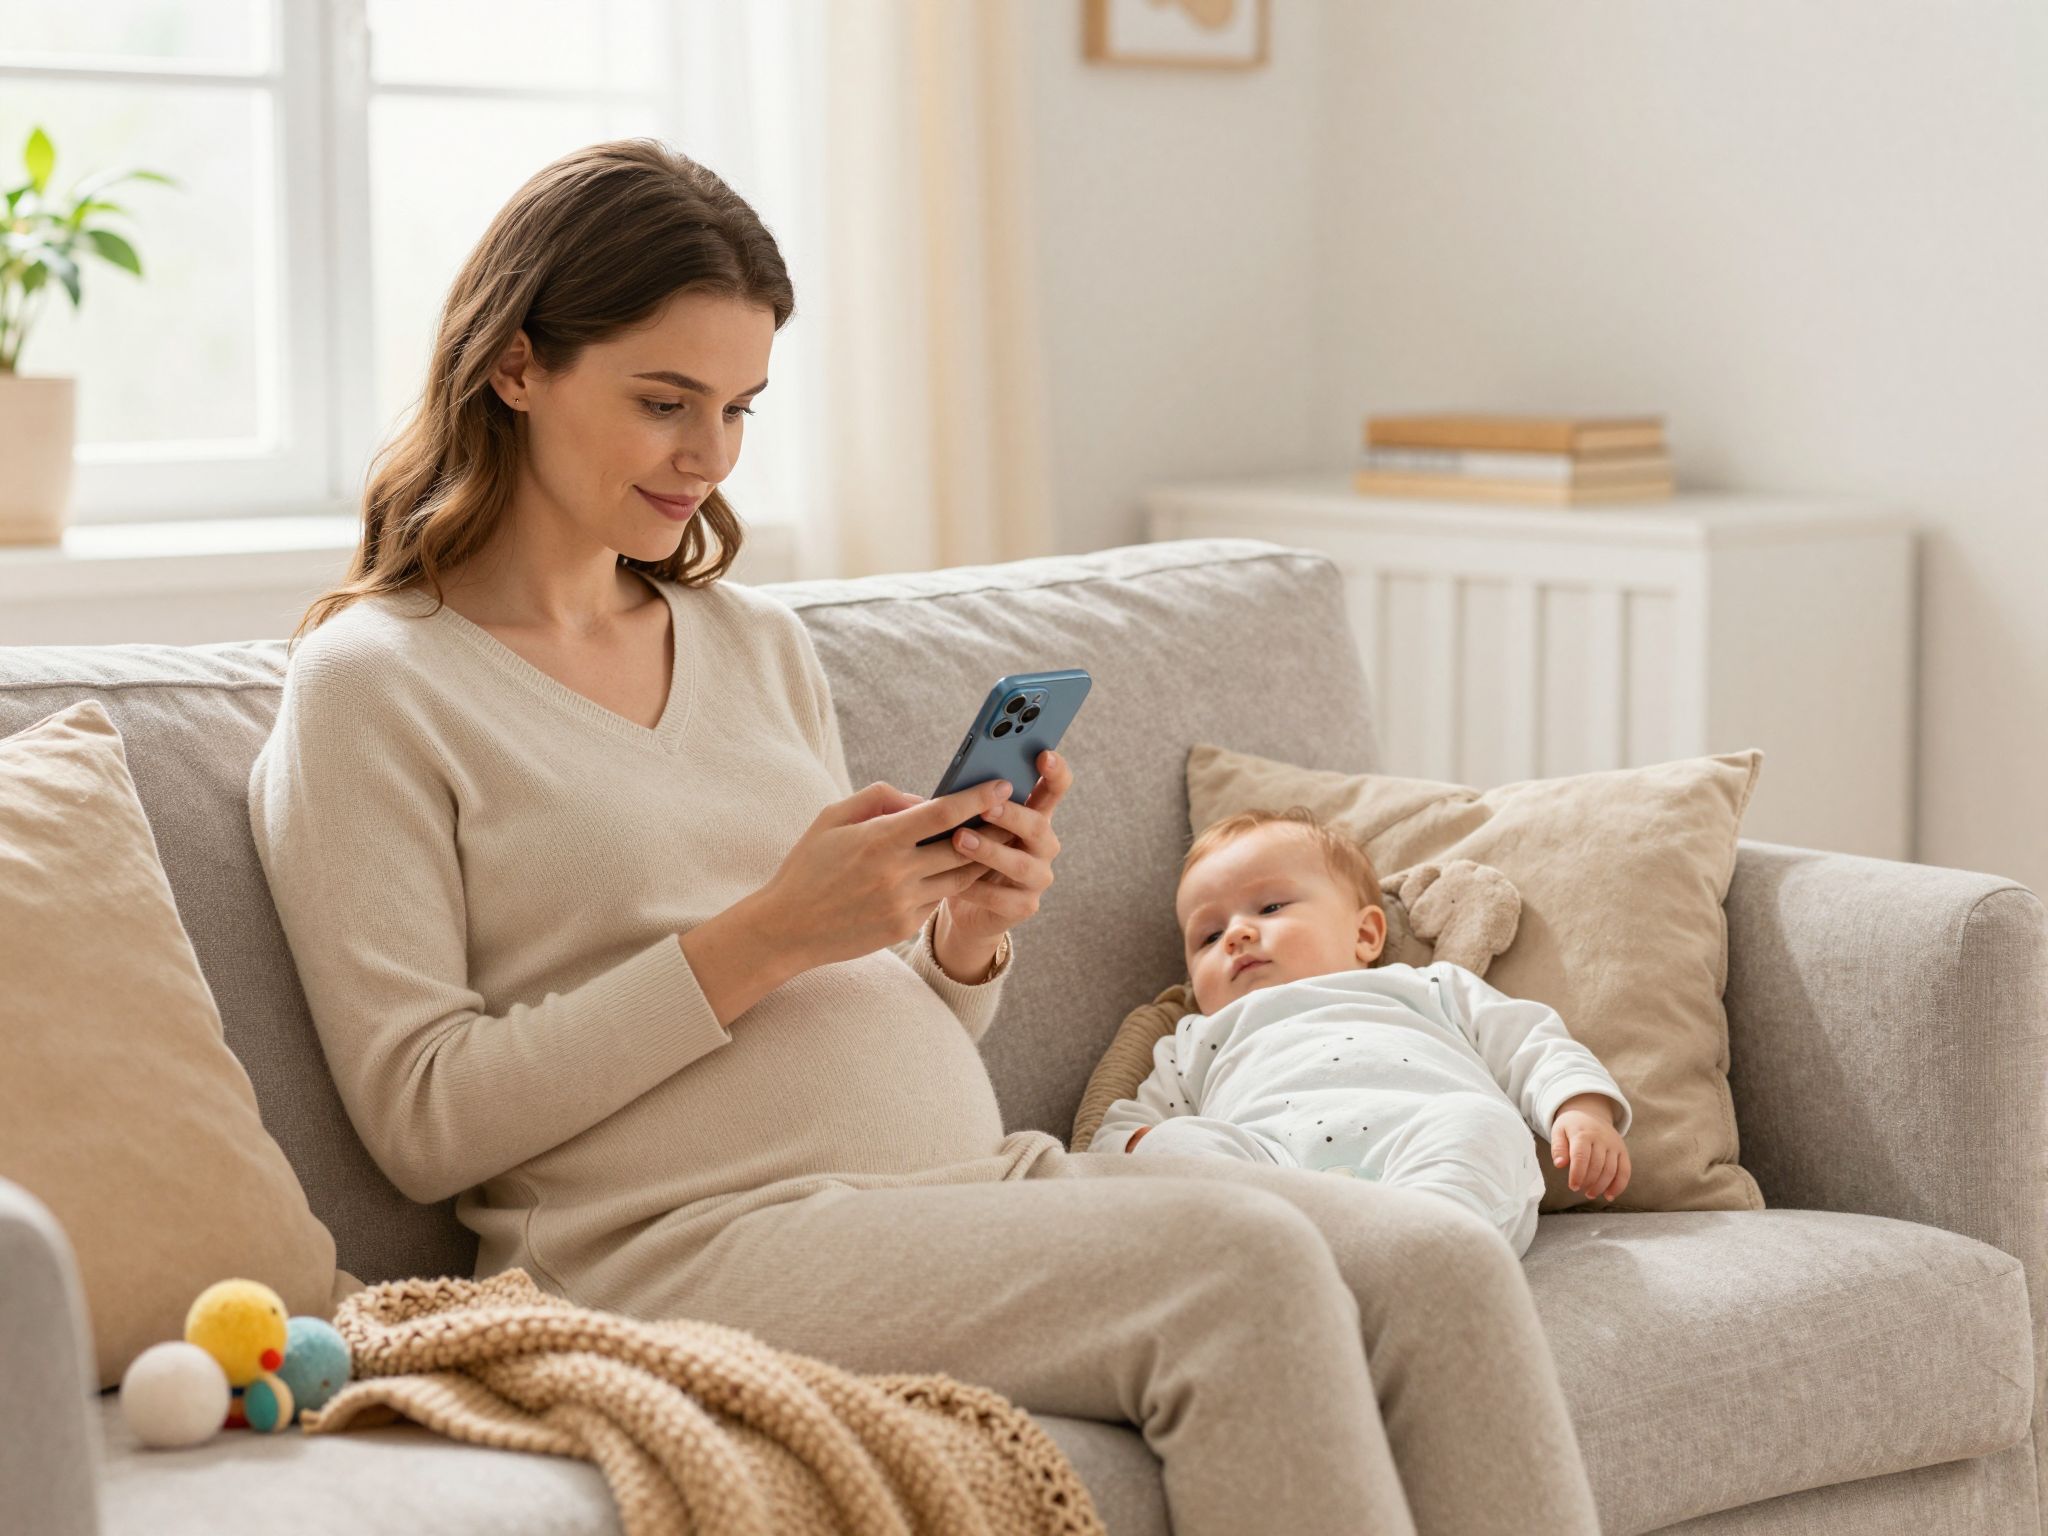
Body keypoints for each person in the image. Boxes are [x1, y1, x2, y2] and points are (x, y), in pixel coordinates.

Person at [247, 137, 1604, 1536]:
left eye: (738, 409)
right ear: (515, 365)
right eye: (663, 402)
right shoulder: (376, 685)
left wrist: (957, 939)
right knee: (1239, 1266)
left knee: (1439, 1265)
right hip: (676, 1247)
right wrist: (768, 934)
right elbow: (424, 1117)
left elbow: (855, 1008)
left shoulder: (749, 643)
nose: (708, 458)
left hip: (958, 1190)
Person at [1091, 808, 1633, 1258]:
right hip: (1271, 1177)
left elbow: (1527, 1041)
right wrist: (1135, 1146)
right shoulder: (1193, 1038)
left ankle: (1420, 1249)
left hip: (1421, 1143)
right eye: (1208, 936)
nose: (1237, 935)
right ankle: (1275, 1261)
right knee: (1176, 1142)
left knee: (1480, 1121)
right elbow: (1125, 1131)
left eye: (1271, 907)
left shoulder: (1429, 985)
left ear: (1367, 933)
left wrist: (1579, 1107)